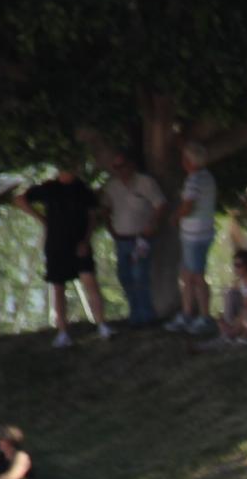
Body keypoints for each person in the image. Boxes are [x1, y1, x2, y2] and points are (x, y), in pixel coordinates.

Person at [14, 166, 113, 347]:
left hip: (79, 244)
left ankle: (102, 325)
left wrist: (86, 240)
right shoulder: (48, 188)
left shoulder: (83, 189)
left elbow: (92, 217)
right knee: (58, 287)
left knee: (89, 281)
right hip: (56, 245)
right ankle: (62, 332)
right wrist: (41, 218)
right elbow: (20, 199)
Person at [101, 150, 167, 327]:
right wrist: (110, 228)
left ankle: (146, 316)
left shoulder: (146, 183)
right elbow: (105, 208)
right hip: (122, 239)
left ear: (131, 165)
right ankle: (135, 314)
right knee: (125, 276)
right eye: (115, 167)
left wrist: (152, 225)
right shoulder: (112, 186)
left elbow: (160, 204)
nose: (119, 170)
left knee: (140, 276)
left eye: (122, 166)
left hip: (141, 239)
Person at [165, 142, 218, 334]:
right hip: (201, 232)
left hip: (195, 235)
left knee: (196, 276)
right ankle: (187, 314)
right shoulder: (207, 177)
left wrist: (175, 216)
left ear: (189, 160)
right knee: (188, 275)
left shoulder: (194, 180)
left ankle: (204, 317)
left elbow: (188, 206)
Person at [198, 249, 247, 350]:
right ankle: (227, 332)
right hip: (246, 313)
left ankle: (233, 334)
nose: (236, 268)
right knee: (230, 296)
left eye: (239, 265)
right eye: (234, 265)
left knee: (245, 310)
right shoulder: (240, 282)